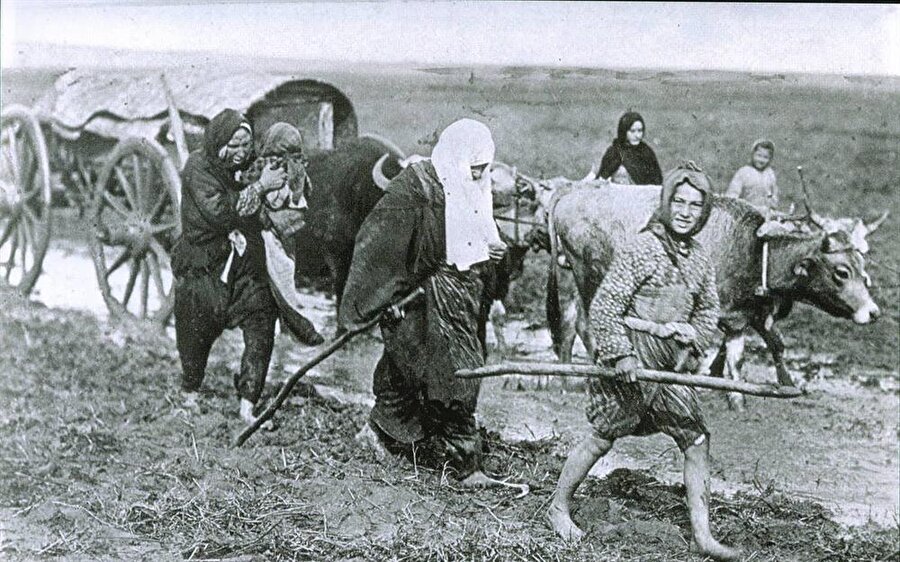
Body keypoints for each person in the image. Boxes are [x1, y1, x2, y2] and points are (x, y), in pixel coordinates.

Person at [547, 163, 742, 561]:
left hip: (669, 366)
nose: (686, 212)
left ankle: (702, 536)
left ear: (704, 211)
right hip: (633, 357)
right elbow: (604, 306)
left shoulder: (699, 260)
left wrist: (695, 339)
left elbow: (708, 311)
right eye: (679, 202)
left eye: (695, 205)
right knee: (603, 435)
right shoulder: (642, 248)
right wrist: (620, 355)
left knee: (696, 439)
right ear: (667, 203)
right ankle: (557, 506)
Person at [340, 119, 509, 487]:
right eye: (474, 169)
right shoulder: (416, 188)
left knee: (414, 372)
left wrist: (492, 251)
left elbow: (479, 235)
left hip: (463, 296)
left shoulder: (473, 187)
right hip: (417, 298)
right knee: (454, 371)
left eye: (484, 171)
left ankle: (384, 434)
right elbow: (377, 243)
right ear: (456, 160)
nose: (479, 178)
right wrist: (381, 297)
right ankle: (465, 464)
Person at [172, 109, 286, 427]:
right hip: (204, 264)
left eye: (244, 145)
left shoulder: (243, 166)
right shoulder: (198, 168)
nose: (239, 153)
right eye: (233, 145)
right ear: (218, 142)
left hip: (241, 263)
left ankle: (248, 405)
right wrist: (261, 187)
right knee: (196, 330)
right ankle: (190, 391)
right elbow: (222, 213)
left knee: (262, 319)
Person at [240, 122, 324, 347]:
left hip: (280, 233)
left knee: (284, 272)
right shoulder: (274, 170)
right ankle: (296, 324)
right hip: (270, 234)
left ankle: (291, 324)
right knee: (282, 273)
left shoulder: (286, 169)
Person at [595, 111, 663, 185]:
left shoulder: (646, 152)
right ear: (624, 132)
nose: (637, 136)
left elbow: (657, 182)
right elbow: (601, 180)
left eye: (640, 131)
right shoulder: (614, 152)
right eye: (632, 131)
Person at [725, 139, 778, 216]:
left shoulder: (770, 174)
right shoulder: (743, 172)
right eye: (758, 155)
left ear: (770, 159)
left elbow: (774, 195)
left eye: (766, 157)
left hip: (766, 215)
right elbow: (732, 196)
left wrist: (772, 207)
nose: (761, 160)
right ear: (753, 154)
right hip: (746, 214)